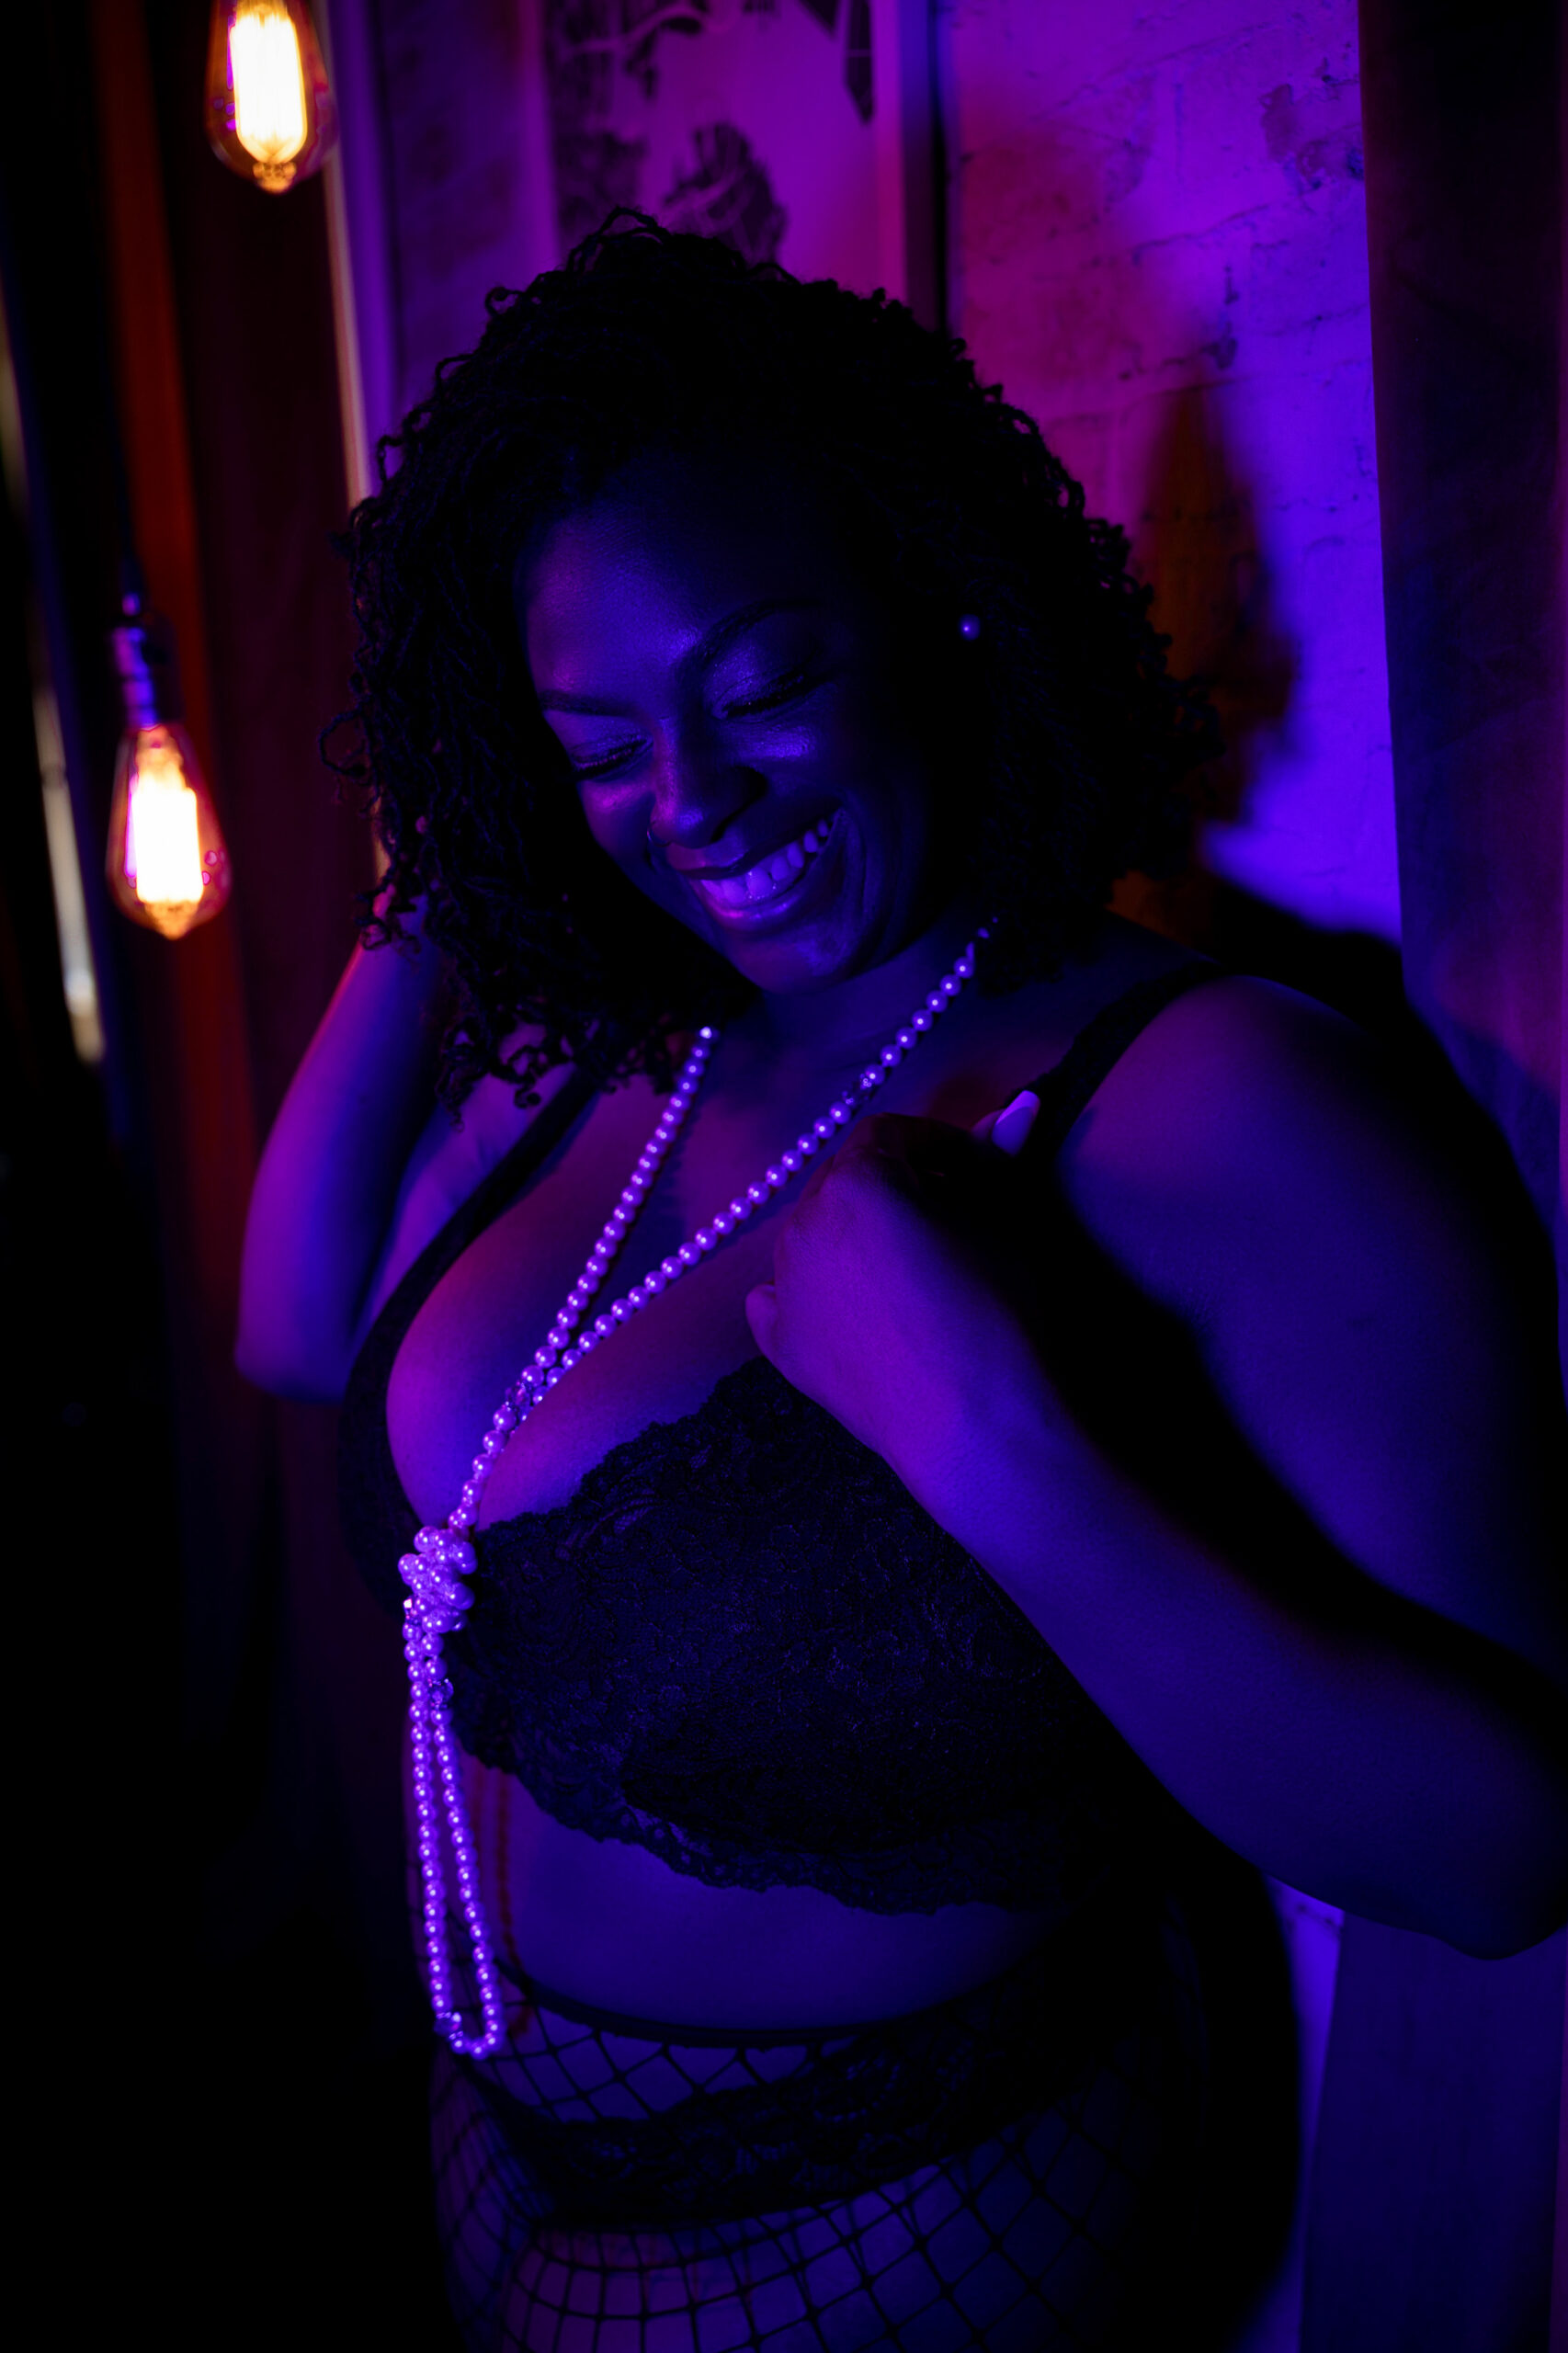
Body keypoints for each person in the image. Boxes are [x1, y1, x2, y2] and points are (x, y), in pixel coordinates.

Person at [237, 219, 1566, 2351]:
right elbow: (298, 1326)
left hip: (905, 2211)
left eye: (760, 686)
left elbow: (1503, 1850)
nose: (695, 805)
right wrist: (480, 841)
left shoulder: (1207, 1092)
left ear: (934, 605)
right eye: (601, 742)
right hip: (489, 2168)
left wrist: (997, 1451)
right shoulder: (632, 1054)